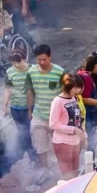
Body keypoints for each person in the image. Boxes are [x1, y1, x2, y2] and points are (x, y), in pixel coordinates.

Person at [27, 44, 65, 173]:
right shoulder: (31, 72)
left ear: (50, 57)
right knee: (40, 146)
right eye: (39, 60)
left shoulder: (59, 72)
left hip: (56, 118)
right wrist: (29, 111)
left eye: (44, 59)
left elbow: (64, 94)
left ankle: (62, 169)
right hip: (39, 116)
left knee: (60, 145)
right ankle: (44, 170)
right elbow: (30, 92)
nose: (42, 62)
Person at [50, 73, 87, 180]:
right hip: (62, 142)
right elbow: (53, 123)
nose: (78, 90)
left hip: (75, 141)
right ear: (67, 86)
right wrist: (73, 130)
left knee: (74, 172)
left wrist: (83, 136)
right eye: (75, 87)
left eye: (79, 87)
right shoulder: (57, 102)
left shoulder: (73, 99)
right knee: (67, 174)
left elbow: (78, 119)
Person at [4, 53, 34, 165]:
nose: (15, 65)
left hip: (30, 107)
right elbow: (8, 89)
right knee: (22, 132)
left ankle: (33, 156)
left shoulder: (32, 70)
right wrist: (5, 105)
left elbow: (31, 92)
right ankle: (27, 157)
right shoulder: (9, 72)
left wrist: (30, 110)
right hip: (16, 108)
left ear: (23, 59)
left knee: (30, 132)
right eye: (13, 63)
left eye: (17, 62)